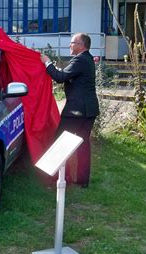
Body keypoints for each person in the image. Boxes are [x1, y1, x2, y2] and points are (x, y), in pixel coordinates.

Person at [40, 33, 100, 188]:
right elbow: (68, 75)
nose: (69, 45)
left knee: (59, 142)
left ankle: (53, 178)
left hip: (76, 111)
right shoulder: (86, 59)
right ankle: (82, 181)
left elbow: (60, 77)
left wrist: (47, 63)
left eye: (72, 42)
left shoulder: (80, 59)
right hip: (89, 109)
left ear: (81, 45)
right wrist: (56, 68)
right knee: (83, 144)